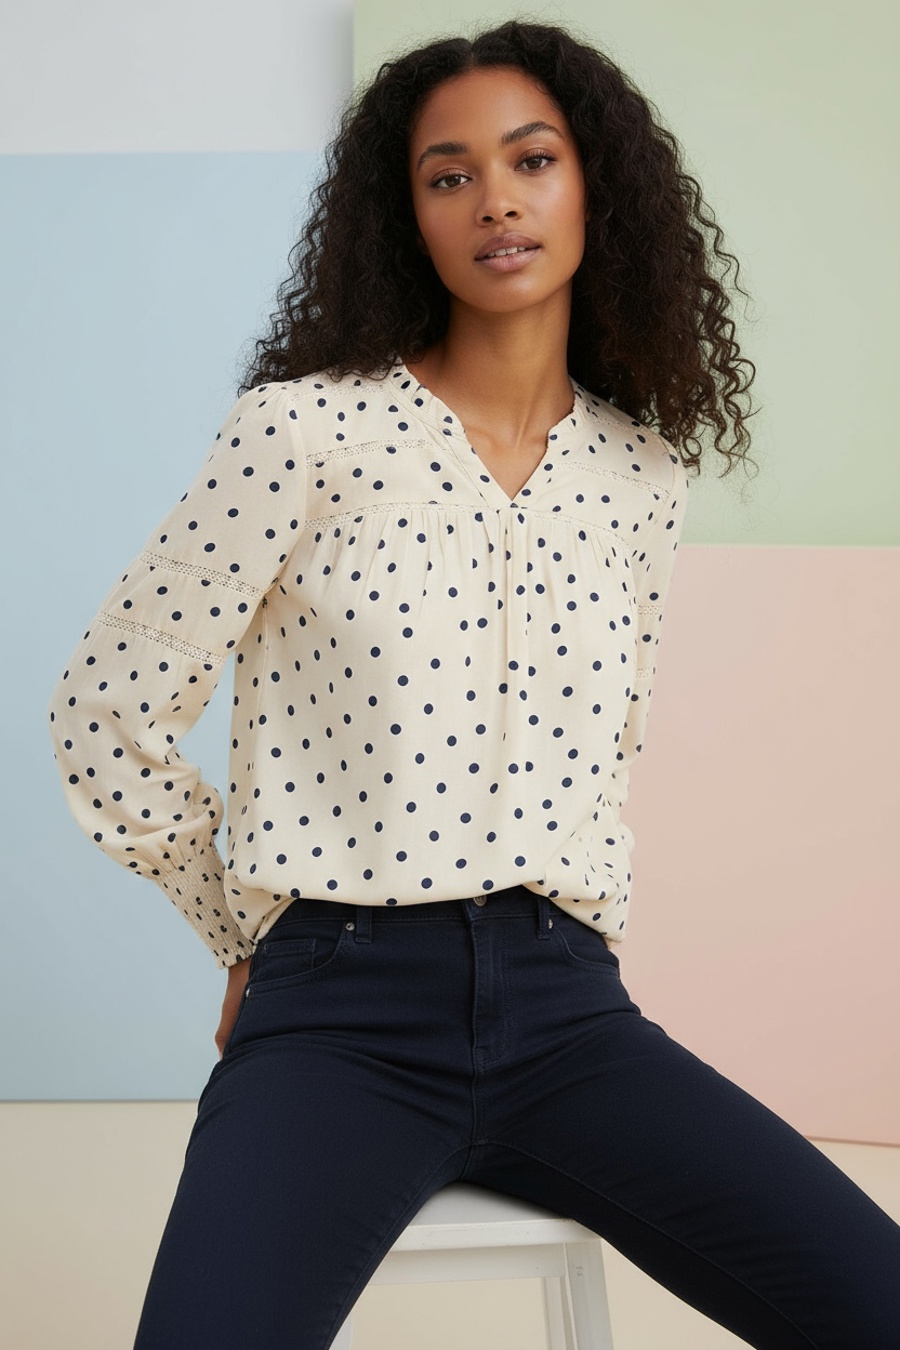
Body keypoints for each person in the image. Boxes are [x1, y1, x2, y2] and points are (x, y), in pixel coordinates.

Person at [47, 18, 900, 1350]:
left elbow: (605, 753)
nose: (495, 199)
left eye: (532, 160)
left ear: (596, 188)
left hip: (571, 1015)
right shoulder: (303, 431)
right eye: (449, 175)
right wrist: (241, 937)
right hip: (337, 1011)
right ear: (410, 220)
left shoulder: (641, 477)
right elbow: (105, 711)